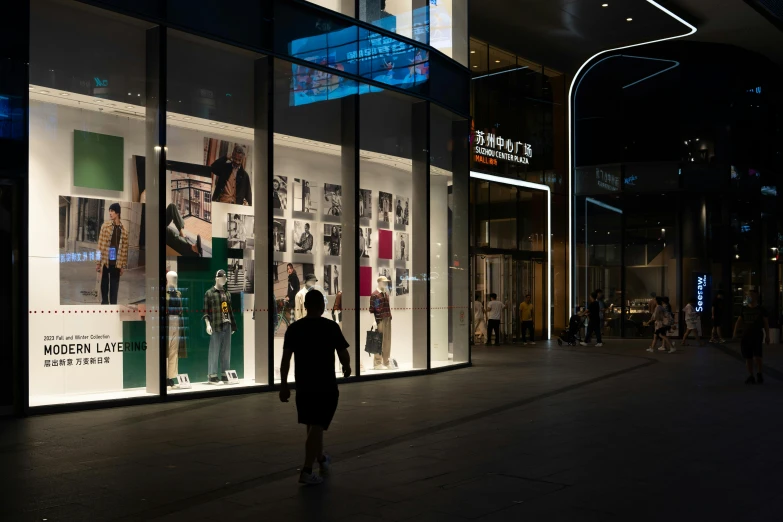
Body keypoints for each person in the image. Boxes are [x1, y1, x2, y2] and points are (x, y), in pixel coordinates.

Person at [279, 290, 352, 486]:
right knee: (317, 424)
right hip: (325, 384)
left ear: (306, 306)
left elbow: (285, 360)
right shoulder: (330, 326)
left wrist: (284, 385)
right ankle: (306, 470)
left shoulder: (294, 328)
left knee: (313, 424)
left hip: (303, 384)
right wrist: (346, 367)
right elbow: (343, 353)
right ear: (322, 306)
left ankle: (320, 458)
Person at [733, 289, 770, 384]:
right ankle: (751, 375)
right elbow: (739, 321)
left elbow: (766, 323)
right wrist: (735, 333)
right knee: (748, 357)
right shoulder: (744, 308)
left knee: (758, 356)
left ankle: (759, 373)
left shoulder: (761, 309)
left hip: (757, 335)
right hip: (746, 336)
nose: (748, 297)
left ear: (756, 297)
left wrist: (767, 336)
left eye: (750, 295)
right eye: (747, 295)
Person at [96, 203, 130, 305]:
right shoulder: (105, 226)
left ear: (117, 212)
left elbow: (124, 250)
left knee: (114, 286)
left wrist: (122, 266)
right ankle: (105, 303)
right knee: (104, 284)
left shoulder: (124, 230)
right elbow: (100, 245)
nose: (110, 213)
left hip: (116, 261)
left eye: (112, 211)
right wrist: (98, 262)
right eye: (109, 211)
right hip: (106, 259)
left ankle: (113, 305)